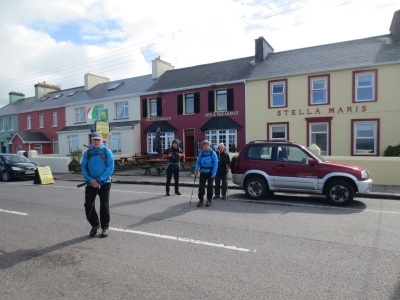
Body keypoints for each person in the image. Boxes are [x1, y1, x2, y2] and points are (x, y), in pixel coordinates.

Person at [81, 132, 114, 238]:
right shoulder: (87, 153)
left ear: (101, 141)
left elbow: (110, 168)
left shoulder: (107, 152)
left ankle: (105, 228)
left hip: (104, 183)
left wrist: (99, 180)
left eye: (98, 140)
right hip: (91, 184)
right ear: (91, 141)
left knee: (104, 206)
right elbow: (84, 168)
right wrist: (91, 180)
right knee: (88, 205)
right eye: (94, 140)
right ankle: (95, 224)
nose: (96, 142)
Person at [195, 140, 218, 207]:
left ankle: (209, 200)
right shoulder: (201, 153)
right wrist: (196, 170)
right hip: (203, 172)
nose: (205, 146)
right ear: (203, 146)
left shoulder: (213, 153)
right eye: (204, 145)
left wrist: (214, 174)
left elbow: (215, 164)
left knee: (209, 187)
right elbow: (198, 162)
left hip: (210, 172)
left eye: (207, 145)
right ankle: (201, 200)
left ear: (209, 145)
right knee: (201, 187)